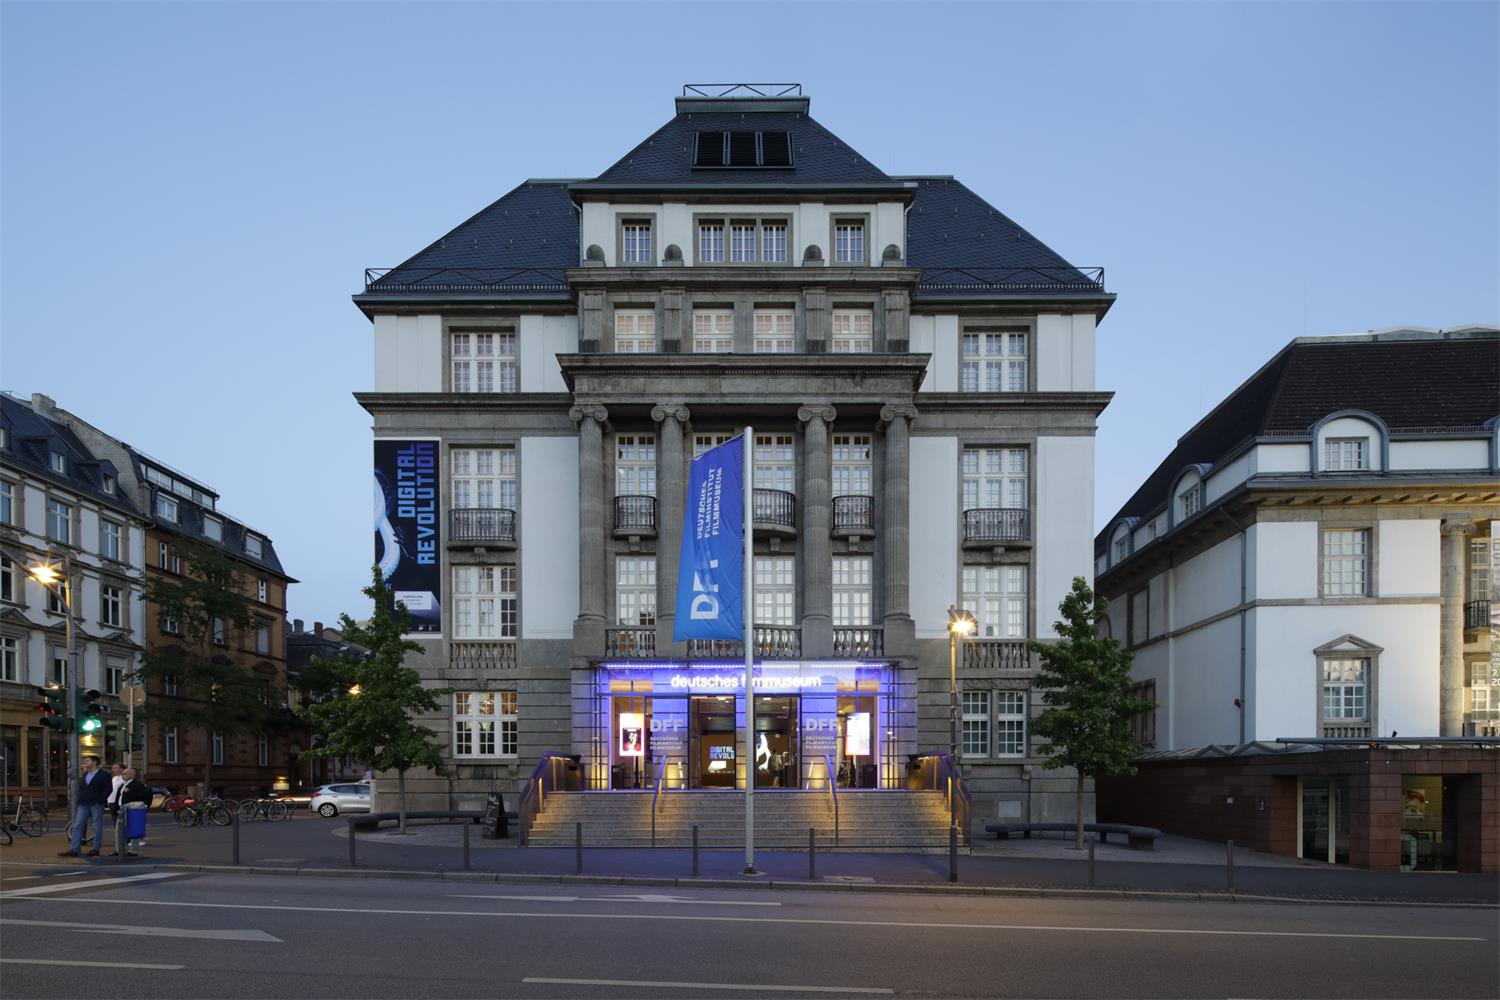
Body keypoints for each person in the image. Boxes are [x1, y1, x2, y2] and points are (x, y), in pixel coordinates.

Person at [58, 755, 110, 857]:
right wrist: (80, 798)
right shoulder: (85, 774)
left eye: (87, 761)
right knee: (77, 825)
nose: (85, 763)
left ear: (94, 762)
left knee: (96, 826)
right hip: (84, 803)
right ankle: (75, 849)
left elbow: (108, 789)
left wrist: (100, 800)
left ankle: (96, 849)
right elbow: (82, 788)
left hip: (96, 803)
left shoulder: (104, 775)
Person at [114, 768, 151, 857]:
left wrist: (129, 792)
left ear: (132, 775)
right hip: (122, 809)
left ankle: (133, 851)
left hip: (132, 809)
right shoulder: (122, 784)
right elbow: (119, 797)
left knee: (133, 830)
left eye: (125, 773)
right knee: (119, 830)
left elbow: (144, 796)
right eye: (123, 773)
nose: (123, 775)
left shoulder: (137, 785)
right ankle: (119, 850)